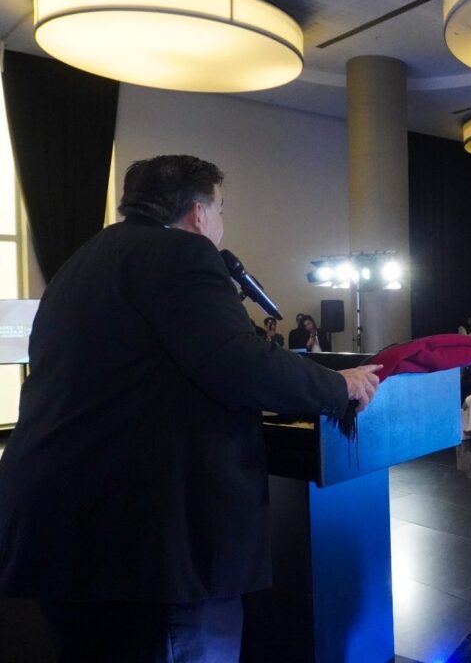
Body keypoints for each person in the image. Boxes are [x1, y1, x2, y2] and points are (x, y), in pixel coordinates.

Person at [0, 155, 382, 660]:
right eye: (221, 209)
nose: (221, 224)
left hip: (65, 529)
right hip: (147, 543)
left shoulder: (84, 261)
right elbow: (240, 364)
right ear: (200, 214)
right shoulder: (180, 254)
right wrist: (340, 386)